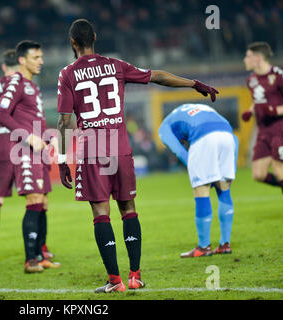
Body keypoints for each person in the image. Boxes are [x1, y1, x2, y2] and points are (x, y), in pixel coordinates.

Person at [56, 19, 219, 293]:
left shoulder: (68, 74)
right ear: (95, 37)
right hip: (120, 148)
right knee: (128, 209)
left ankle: (114, 281)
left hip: (93, 149)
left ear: (72, 42)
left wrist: (62, 159)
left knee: (100, 213)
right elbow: (158, 76)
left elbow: (63, 121)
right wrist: (194, 84)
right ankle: (135, 276)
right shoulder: (117, 65)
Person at [0, 49, 55, 266]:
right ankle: (42, 250)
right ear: (19, 64)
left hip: (0, 149)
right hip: (24, 147)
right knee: (39, 198)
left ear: (2, 66)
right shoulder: (25, 86)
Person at [0, 40, 61, 273]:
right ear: (22, 60)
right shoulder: (16, 82)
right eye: (36, 57)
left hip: (39, 152)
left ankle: (41, 255)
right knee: (34, 201)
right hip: (24, 151)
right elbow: (1, 114)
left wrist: (46, 136)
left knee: (42, 202)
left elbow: (32, 119)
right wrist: (27, 136)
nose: (41, 61)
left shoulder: (33, 86)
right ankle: (30, 260)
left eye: (41, 57)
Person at [159, 104, 238, 258]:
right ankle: (225, 244)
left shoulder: (164, 127)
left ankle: (203, 247)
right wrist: (231, 170)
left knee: (201, 190)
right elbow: (234, 138)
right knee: (224, 189)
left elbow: (178, 149)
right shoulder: (196, 109)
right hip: (228, 135)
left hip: (203, 137)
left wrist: (194, 165)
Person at [242, 42, 283, 224]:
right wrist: (250, 110)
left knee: (279, 170)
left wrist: (274, 111)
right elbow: (258, 102)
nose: (245, 60)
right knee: (258, 174)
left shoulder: (279, 76)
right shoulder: (251, 80)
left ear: (258, 58)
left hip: (280, 127)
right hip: (262, 130)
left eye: (247, 56)